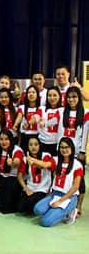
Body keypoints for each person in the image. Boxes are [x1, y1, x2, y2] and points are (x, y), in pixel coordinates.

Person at [34, 137, 83, 226]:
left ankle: (71, 211)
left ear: (72, 148)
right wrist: (33, 160)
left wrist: (60, 201)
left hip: (69, 197)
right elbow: (45, 164)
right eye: (62, 147)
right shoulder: (56, 160)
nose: (64, 150)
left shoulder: (77, 165)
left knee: (45, 222)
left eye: (67, 147)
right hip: (55, 194)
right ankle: (55, 212)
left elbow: (75, 187)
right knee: (37, 209)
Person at [58, 86, 87, 214]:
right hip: (63, 151)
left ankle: (79, 206)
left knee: (79, 180)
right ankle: (66, 202)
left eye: (74, 97)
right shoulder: (62, 112)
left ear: (79, 98)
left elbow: (85, 134)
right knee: (64, 177)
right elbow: (56, 127)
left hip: (77, 153)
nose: (71, 99)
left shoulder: (85, 113)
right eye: (69, 97)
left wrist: (82, 151)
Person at [16, 136, 53, 213]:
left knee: (30, 203)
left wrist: (33, 162)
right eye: (31, 145)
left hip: (43, 189)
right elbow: (19, 177)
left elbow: (43, 166)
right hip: (30, 187)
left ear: (40, 145)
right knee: (20, 208)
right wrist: (26, 189)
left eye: (36, 144)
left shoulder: (46, 156)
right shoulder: (25, 158)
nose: (33, 147)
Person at [0, 129, 24, 214]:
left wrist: (12, 163)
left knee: (6, 208)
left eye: (6, 139)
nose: (4, 142)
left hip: (13, 178)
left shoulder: (17, 150)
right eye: (1, 139)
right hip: (0, 177)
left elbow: (18, 161)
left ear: (11, 140)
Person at [38, 87, 63, 157]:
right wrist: (29, 123)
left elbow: (56, 119)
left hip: (56, 144)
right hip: (42, 142)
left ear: (59, 97)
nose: (52, 98)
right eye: (49, 95)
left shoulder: (62, 110)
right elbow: (36, 116)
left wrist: (45, 123)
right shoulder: (42, 108)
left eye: (54, 95)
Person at [17, 85, 41, 152]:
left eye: (33, 92)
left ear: (37, 94)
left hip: (37, 137)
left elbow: (37, 117)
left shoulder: (41, 108)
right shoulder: (22, 107)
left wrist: (28, 123)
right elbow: (18, 119)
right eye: (29, 92)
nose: (31, 94)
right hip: (25, 137)